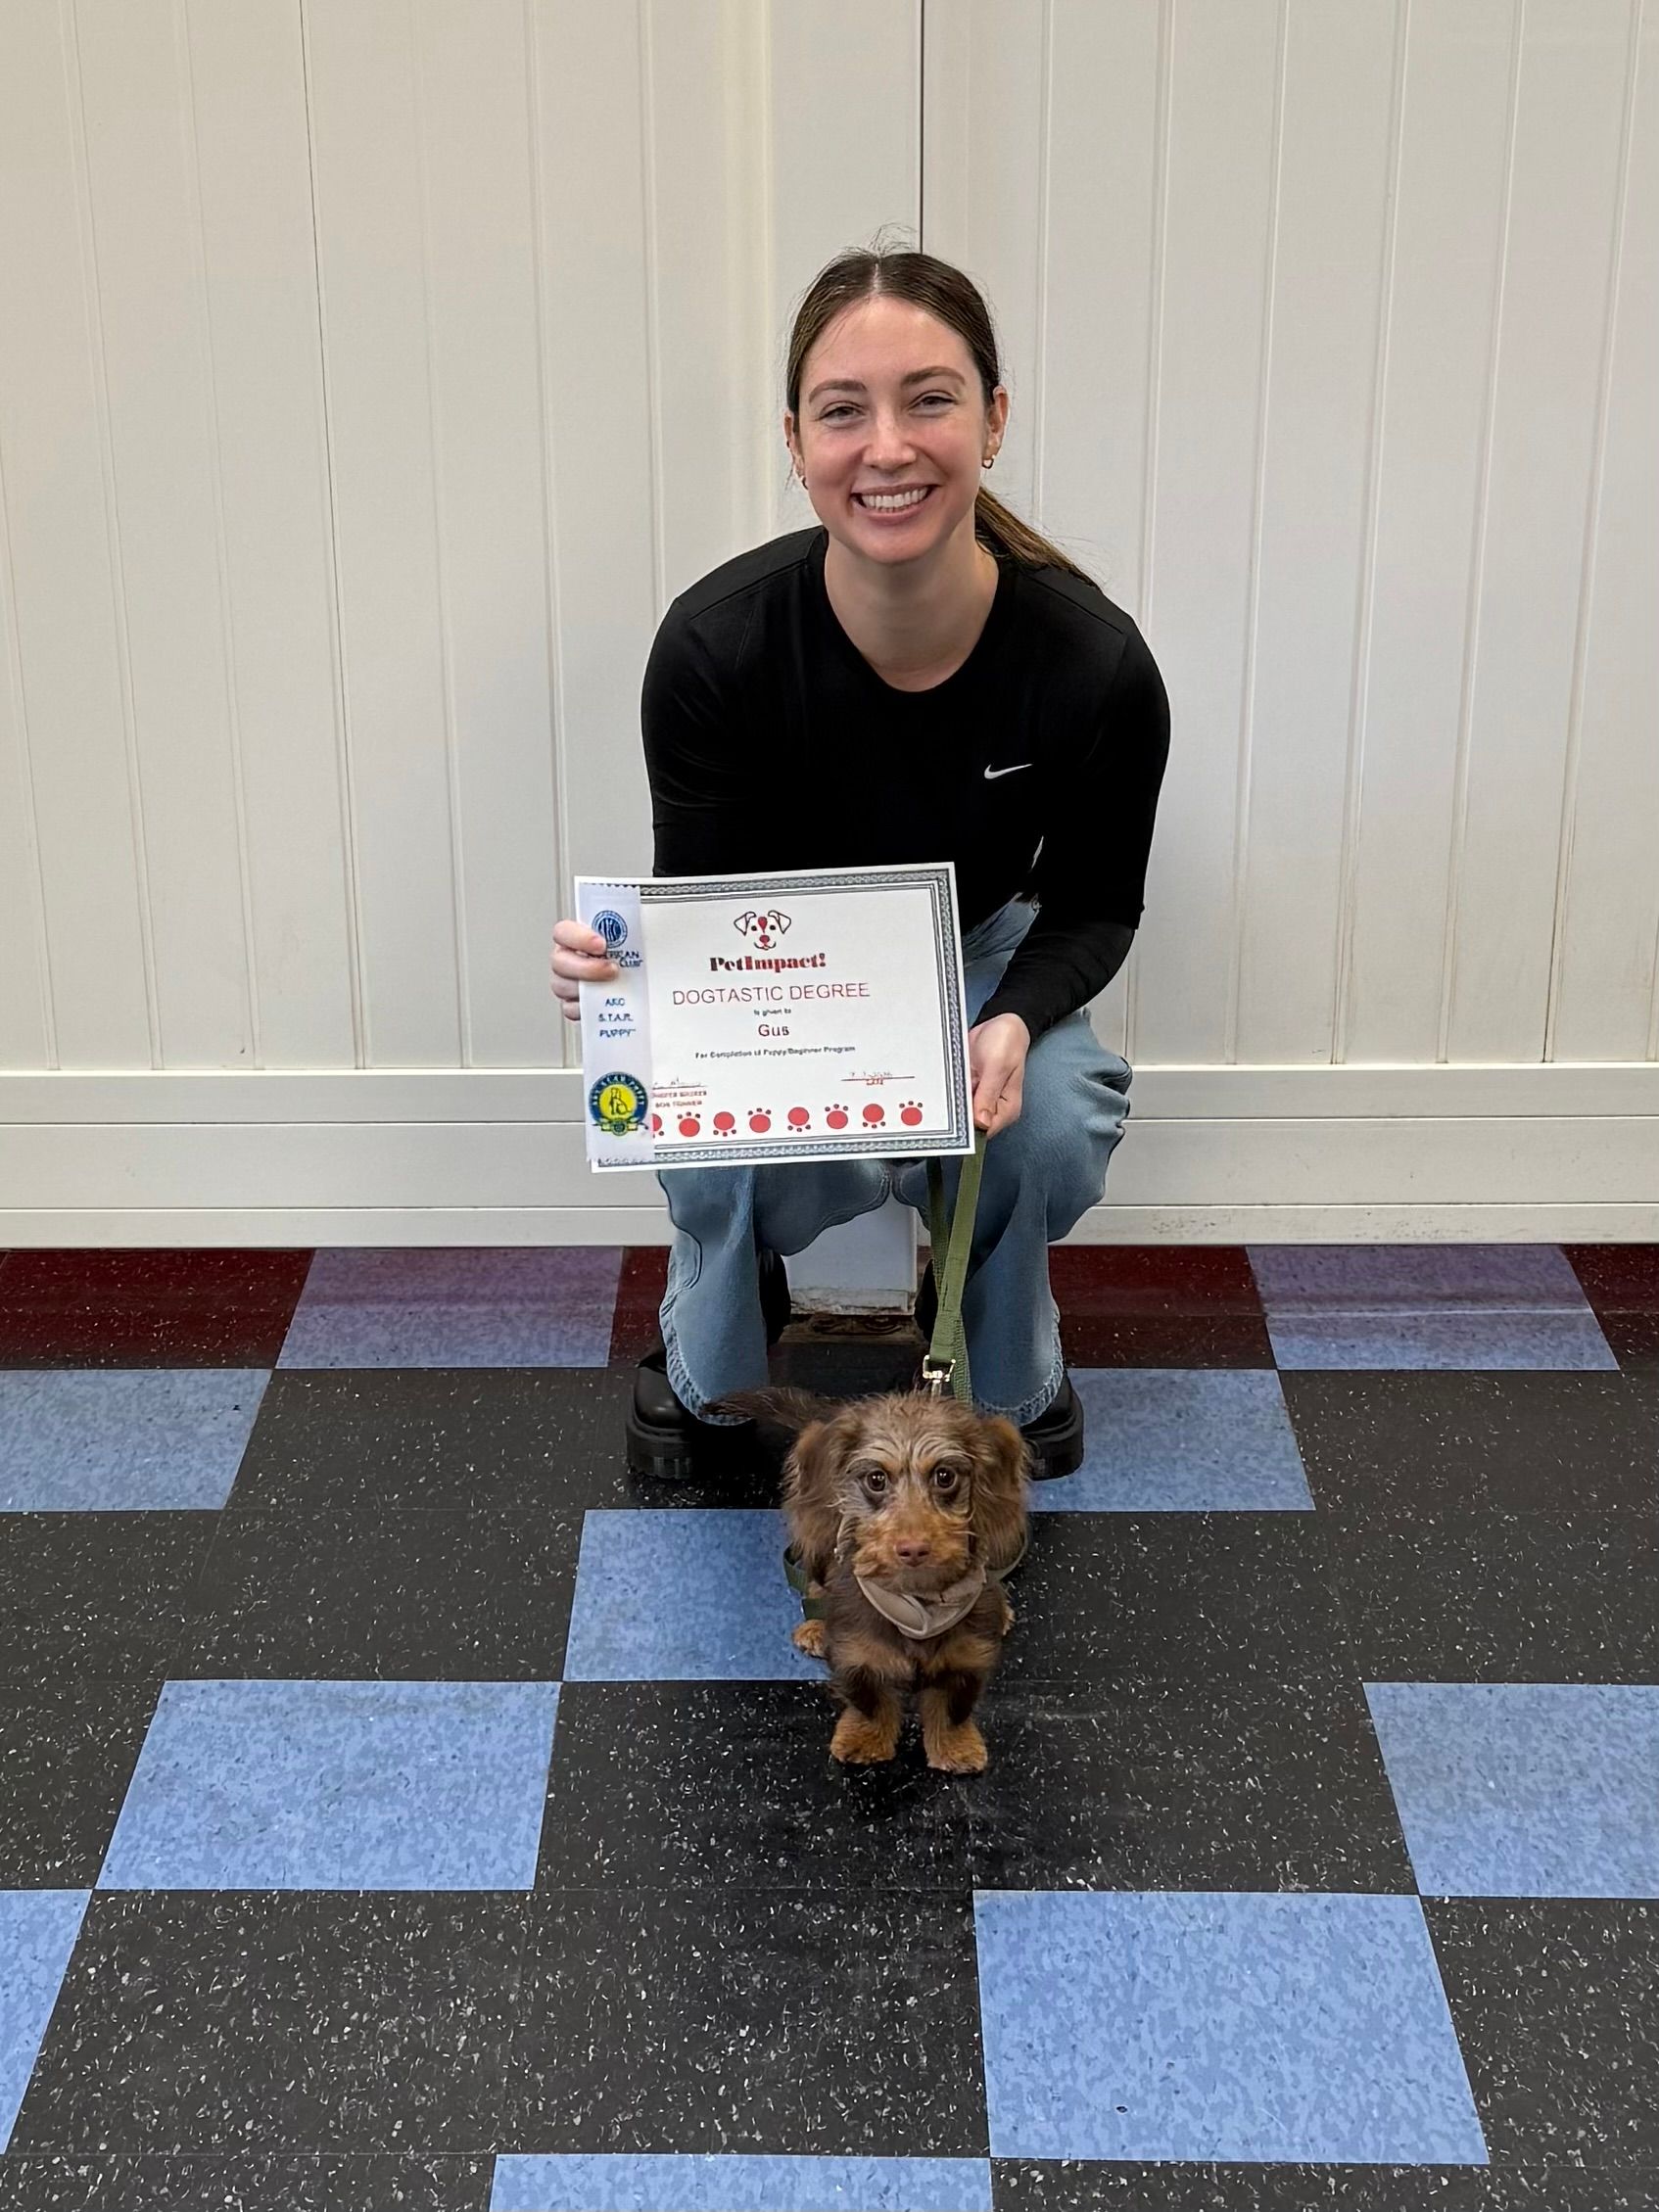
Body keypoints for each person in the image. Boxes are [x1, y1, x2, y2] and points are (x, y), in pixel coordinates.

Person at [550, 243, 1170, 1483]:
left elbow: (1096, 905)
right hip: (795, 965)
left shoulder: (1093, 663)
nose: (886, 447)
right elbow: (711, 905)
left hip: (982, 950)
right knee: (710, 1128)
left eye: (928, 399)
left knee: (1047, 1125)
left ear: (992, 420)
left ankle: (1001, 1366)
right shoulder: (715, 648)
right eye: (842, 411)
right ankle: (718, 1355)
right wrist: (632, 973)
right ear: (795, 442)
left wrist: (1013, 1018)